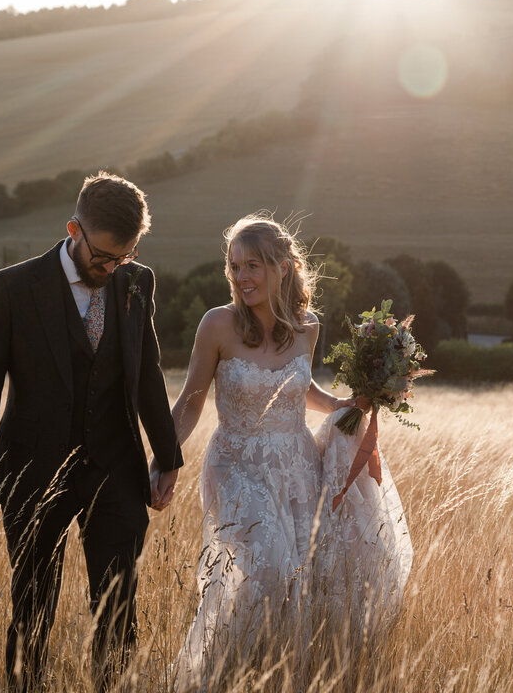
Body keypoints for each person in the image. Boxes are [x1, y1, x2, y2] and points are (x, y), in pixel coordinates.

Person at [0, 172, 183, 692]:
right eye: (102, 257)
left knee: (119, 611)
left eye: (123, 256)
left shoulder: (136, 281)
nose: (112, 268)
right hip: (31, 472)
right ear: (73, 229)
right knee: (32, 611)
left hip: (116, 469)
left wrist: (167, 458)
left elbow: (147, 373)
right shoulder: (11, 288)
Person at [168, 214, 412, 689]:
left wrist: (342, 405)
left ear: (283, 267)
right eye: (234, 267)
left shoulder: (307, 326)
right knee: (270, 568)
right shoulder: (217, 324)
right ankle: (215, 677)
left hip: (296, 465)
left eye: (252, 265)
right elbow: (190, 402)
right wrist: (163, 460)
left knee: (298, 582)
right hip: (235, 465)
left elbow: (300, 388)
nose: (241, 277)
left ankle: (270, 676)